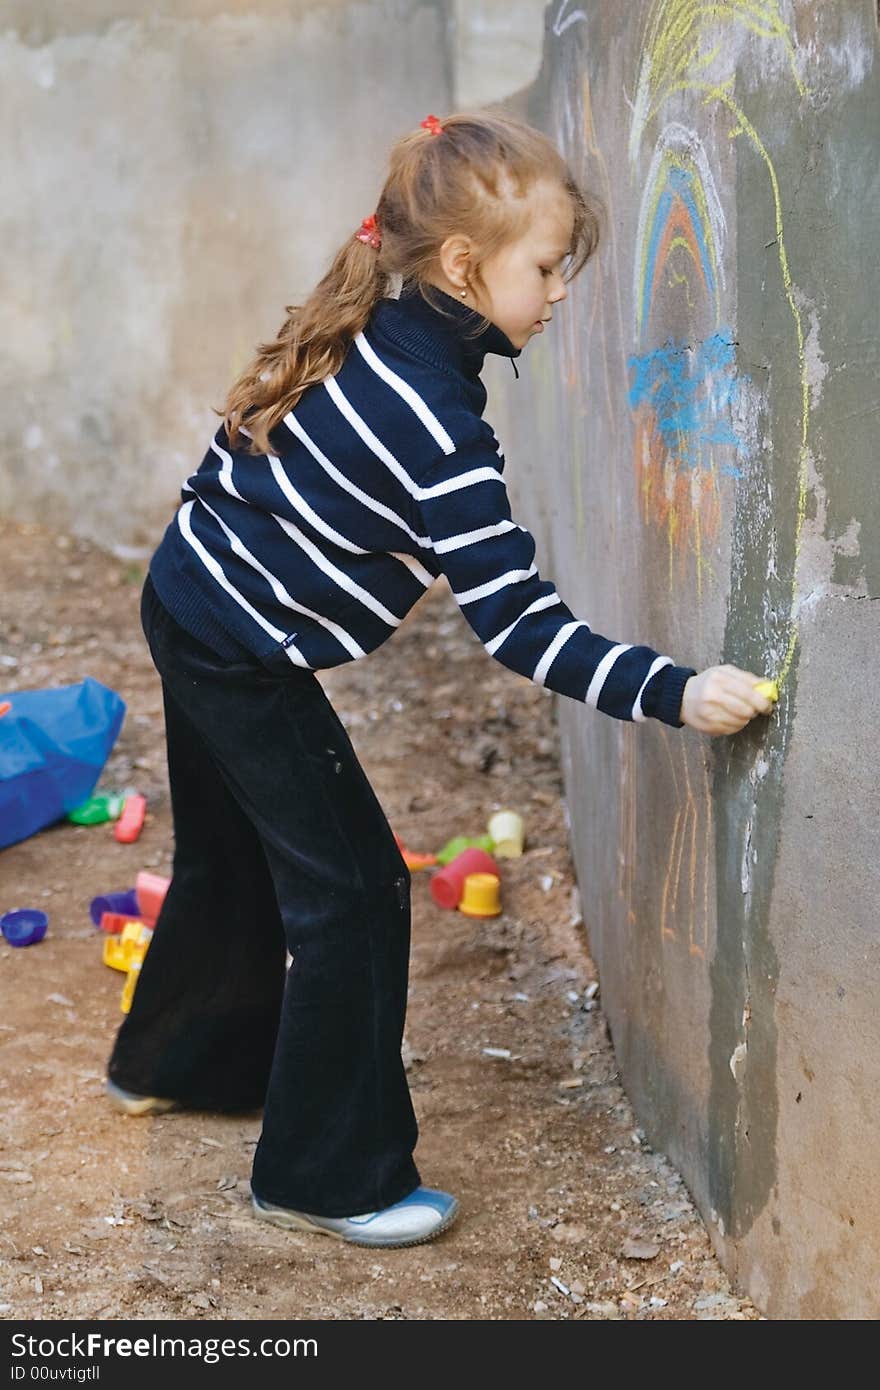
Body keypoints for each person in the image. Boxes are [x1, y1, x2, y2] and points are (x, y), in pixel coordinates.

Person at [105, 111, 774, 1251]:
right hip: (238, 650)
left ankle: (180, 1062)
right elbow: (513, 625)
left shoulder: (377, 318)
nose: (558, 294)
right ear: (466, 267)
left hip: (187, 592)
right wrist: (674, 691)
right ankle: (326, 1175)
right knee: (357, 890)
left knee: (235, 851)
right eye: (546, 268)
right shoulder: (441, 426)